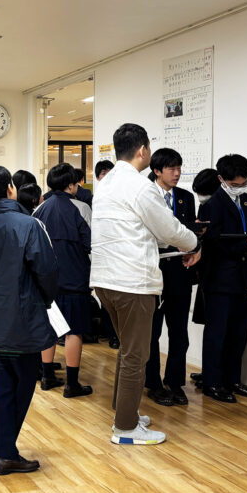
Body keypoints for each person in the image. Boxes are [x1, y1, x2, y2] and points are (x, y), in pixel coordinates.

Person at [91, 124, 199, 446]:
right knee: (136, 355)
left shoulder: (107, 183)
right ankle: (125, 429)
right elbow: (169, 229)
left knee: (128, 350)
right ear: (143, 150)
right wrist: (194, 243)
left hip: (105, 281)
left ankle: (124, 411)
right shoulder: (140, 186)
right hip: (132, 282)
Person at [0, 165, 60, 475]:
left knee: (2, 387)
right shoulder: (28, 225)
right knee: (20, 388)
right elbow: (47, 272)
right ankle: (5, 452)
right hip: (24, 321)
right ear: (11, 188)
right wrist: (45, 300)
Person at [199, 154, 247, 403]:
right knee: (217, 333)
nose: (240, 187)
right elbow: (212, 244)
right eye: (235, 184)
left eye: (244, 183)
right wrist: (244, 245)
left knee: (240, 331)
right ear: (221, 179)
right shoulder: (211, 205)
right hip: (220, 278)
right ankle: (212, 382)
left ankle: (233, 380)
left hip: (245, 277)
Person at [33, 162, 94, 398]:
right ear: (71, 185)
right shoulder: (81, 208)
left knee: (49, 328)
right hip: (75, 278)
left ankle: (47, 376)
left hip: (46, 281)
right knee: (74, 331)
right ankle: (72, 383)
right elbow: (91, 244)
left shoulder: (39, 210)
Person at [144, 148, 198, 407]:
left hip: (180, 270)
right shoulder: (146, 195)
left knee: (179, 332)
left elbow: (189, 230)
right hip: (153, 269)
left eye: (179, 168)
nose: (177, 173)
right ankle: (152, 383)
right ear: (157, 171)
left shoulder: (186, 197)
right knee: (152, 332)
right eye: (171, 169)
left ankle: (175, 382)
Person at [188, 168, 220, 387]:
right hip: (206, 272)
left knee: (215, 328)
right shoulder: (205, 205)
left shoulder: (216, 205)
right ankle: (209, 372)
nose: (201, 197)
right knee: (211, 327)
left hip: (213, 271)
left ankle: (212, 373)